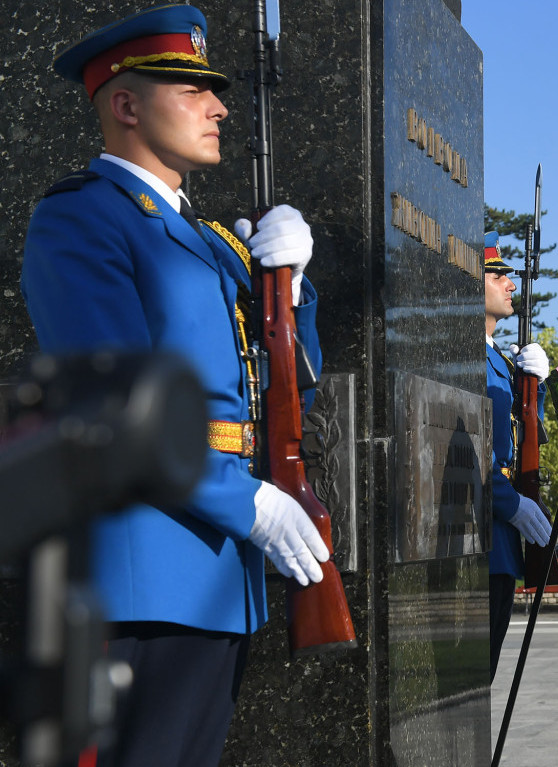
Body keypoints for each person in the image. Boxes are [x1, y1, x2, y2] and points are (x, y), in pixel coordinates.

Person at [20, 5, 328, 766]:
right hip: (146, 571)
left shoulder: (212, 243)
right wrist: (244, 500)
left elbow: (294, 391)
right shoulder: (86, 219)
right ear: (126, 104)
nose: (218, 107)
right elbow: (116, 402)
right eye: (192, 90)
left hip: (217, 571)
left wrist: (291, 289)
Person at [483, 231, 552, 680]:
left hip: (500, 539)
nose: (511, 284)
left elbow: (525, 434)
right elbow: (472, 446)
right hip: (482, 530)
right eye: (497, 274)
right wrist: (510, 503)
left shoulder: (498, 360)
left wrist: (536, 388)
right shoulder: (467, 357)